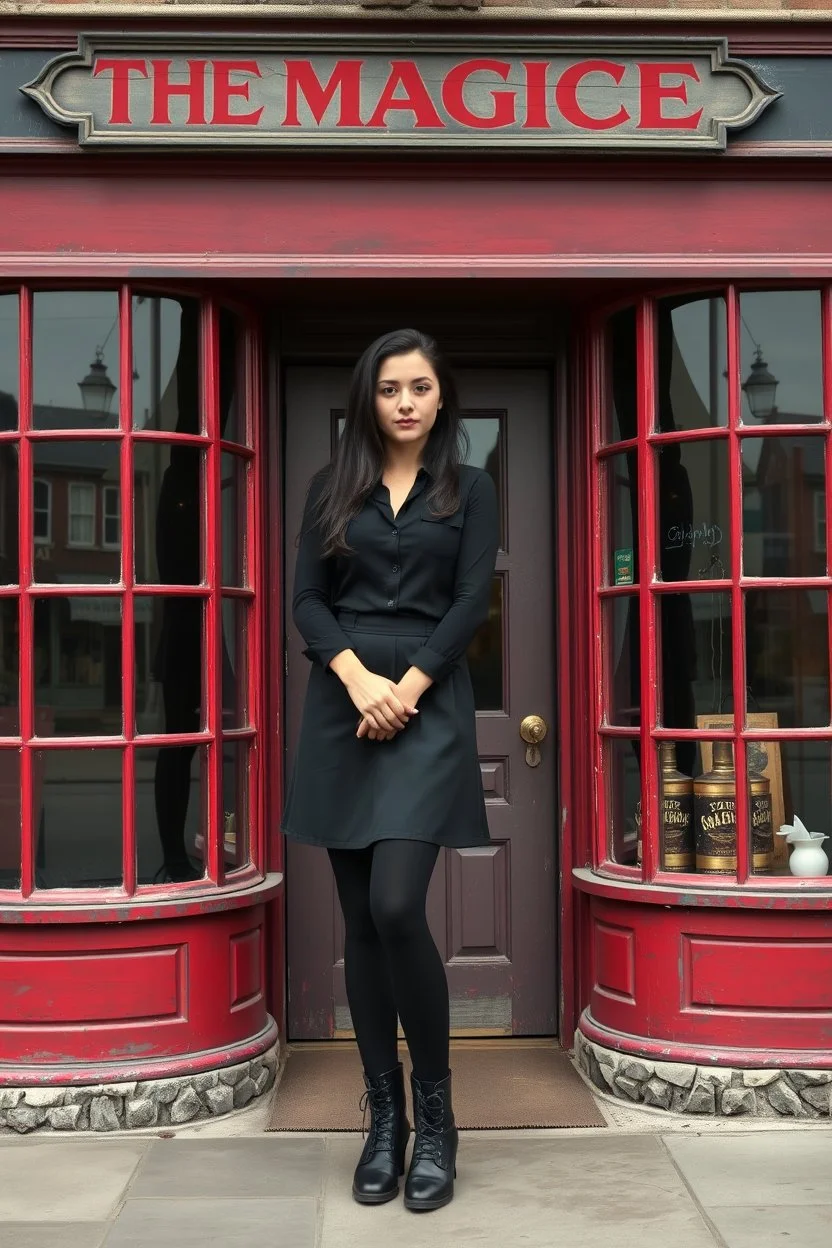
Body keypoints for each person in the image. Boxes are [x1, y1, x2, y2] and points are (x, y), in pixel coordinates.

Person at [281, 328, 499, 1212]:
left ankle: (439, 1120)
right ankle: (384, 1119)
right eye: (388, 389)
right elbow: (306, 598)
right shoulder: (331, 489)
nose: (405, 401)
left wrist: (403, 687)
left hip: (424, 709)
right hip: (344, 706)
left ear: (442, 399)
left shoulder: (472, 491)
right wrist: (356, 678)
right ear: (367, 400)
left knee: (397, 905)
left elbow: (470, 601)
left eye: (419, 387)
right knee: (360, 927)